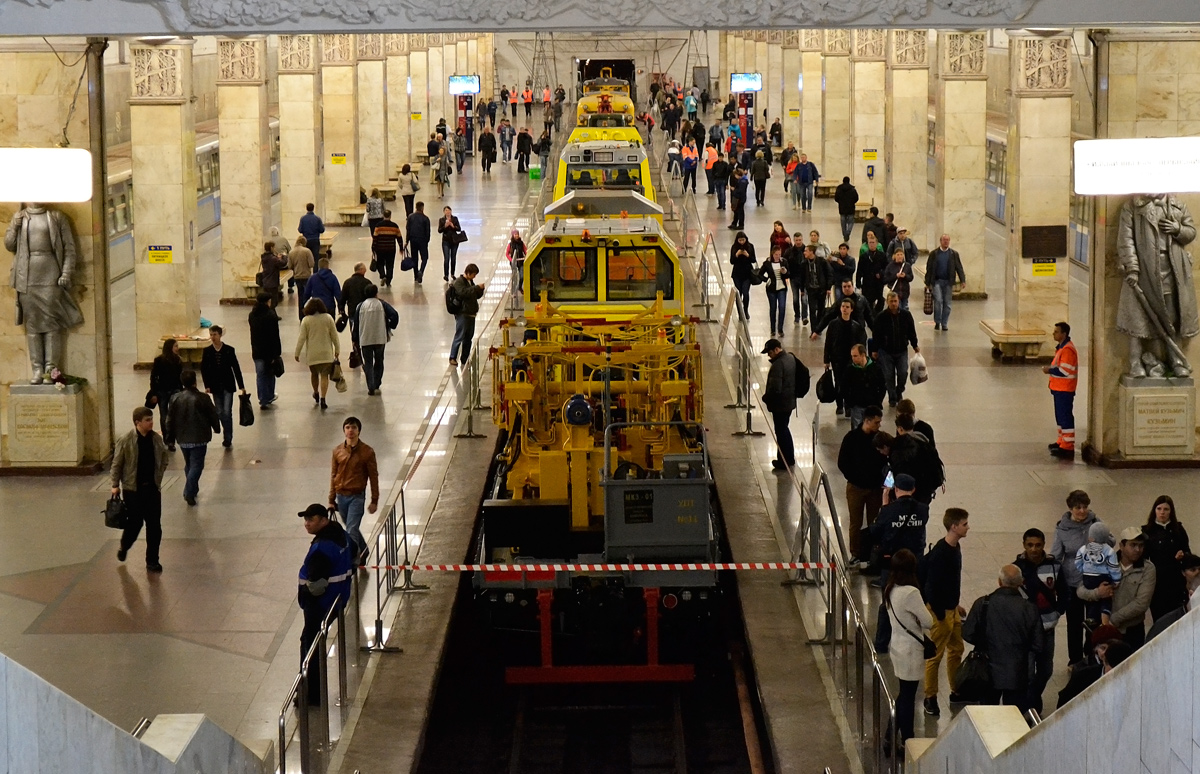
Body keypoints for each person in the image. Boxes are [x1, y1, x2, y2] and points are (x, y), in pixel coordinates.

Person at [1116, 194, 1199, 377]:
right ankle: (1135, 361)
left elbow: (1191, 232)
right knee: (1136, 318)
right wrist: (1132, 267)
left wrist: (1178, 229)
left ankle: (1175, 359)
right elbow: (1126, 239)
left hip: (1172, 268)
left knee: (1171, 316)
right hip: (1144, 269)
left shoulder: (1177, 205)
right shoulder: (1132, 206)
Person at [962, 565, 1043, 713]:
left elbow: (967, 633)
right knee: (1013, 718)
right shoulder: (1029, 608)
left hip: (987, 672)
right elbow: (1038, 644)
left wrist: (985, 642)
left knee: (987, 717)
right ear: (1021, 583)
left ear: (999, 581)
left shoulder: (983, 603)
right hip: (1017, 673)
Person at [296, 503, 353, 706]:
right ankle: (313, 691)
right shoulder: (342, 535)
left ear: (323, 520)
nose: (307, 524)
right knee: (316, 642)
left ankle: (311, 695)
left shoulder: (321, 548)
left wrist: (307, 594)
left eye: (311, 520)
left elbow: (317, 585)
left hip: (320, 604)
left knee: (310, 645)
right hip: (339, 598)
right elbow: (355, 554)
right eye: (305, 520)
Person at [921, 508, 970, 717]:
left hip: (952, 609)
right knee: (935, 656)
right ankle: (930, 697)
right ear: (954, 526)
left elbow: (951, 582)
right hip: (941, 612)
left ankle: (956, 688)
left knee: (957, 649)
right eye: (964, 524)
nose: (968, 527)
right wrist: (941, 615)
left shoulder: (955, 547)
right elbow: (932, 587)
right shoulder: (940, 553)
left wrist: (956, 605)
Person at [1014, 527, 1067, 714]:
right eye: (1030, 545)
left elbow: (1064, 591)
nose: (1034, 549)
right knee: (1027, 673)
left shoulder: (1054, 566)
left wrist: (1058, 612)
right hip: (1026, 631)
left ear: (1044, 545)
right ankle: (1030, 706)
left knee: (1046, 670)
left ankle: (1033, 698)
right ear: (1024, 545)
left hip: (1047, 628)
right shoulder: (1016, 569)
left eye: (1038, 545)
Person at [884, 549, 934, 749]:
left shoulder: (890, 588)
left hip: (897, 646)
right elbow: (928, 622)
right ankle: (907, 740)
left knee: (904, 694)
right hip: (911, 651)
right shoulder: (911, 593)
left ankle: (890, 735)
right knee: (908, 698)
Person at [111, 406, 170, 572]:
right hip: (133, 490)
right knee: (135, 524)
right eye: (147, 420)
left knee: (154, 526)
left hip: (152, 489)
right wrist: (115, 485)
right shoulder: (126, 440)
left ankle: (152, 560)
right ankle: (124, 546)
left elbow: (164, 458)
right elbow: (117, 463)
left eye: (151, 419)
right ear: (138, 422)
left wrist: (158, 477)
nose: (151, 423)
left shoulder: (156, 440)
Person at [1077, 527, 1157, 649]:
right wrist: (1097, 593)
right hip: (1099, 628)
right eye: (1133, 545)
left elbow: (1141, 603)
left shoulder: (1148, 569)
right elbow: (1080, 591)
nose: (1138, 550)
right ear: (1121, 546)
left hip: (1131, 631)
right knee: (1097, 665)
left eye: (1141, 546)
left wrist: (1112, 621)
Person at [1050, 490, 1101, 665]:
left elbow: (1110, 540)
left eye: (1085, 507)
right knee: (1074, 623)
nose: (1082, 511)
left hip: (1093, 579)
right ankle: (1075, 659)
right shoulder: (1062, 528)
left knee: (1093, 620)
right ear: (1070, 508)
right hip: (1072, 580)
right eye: (1078, 507)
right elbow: (1056, 555)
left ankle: (1091, 655)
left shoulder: (1096, 523)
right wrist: (1055, 580)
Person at [839, 406, 887, 565]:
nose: (879, 425)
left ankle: (873, 554)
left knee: (874, 522)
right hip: (856, 488)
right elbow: (842, 462)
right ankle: (856, 553)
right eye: (876, 422)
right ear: (867, 421)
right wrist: (854, 478)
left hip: (875, 489)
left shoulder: (880, 439)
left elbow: (886, 461)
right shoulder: (851, 438)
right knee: (855, 522)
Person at [328, 417, 380, 565]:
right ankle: (363, 549)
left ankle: (352, 561)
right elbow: (334, 475)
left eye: (354, 427)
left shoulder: (367, 452)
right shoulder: (337, 451)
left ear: (359, 431)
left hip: (356, 496)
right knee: (351, 527)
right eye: (348, 427)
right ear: (344, 430)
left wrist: (374, 500)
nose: (351, 430)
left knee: (351, 530)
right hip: (340, 496)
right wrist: (331, 500)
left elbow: (373, 476)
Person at [168, 369, 220, 507]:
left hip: (182, 437)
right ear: (195, 382)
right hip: (199, 436)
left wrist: (170, 435)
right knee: (197, 465)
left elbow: (170, 418)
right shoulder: (203, 398)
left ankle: (193, 488)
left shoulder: (175, 398)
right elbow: (212, 415)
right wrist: (217, 428)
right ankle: (189, 492)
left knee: (189, 465)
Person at [1141, 495, 1192, 620]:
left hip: (1176, 581)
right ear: (1154, 510)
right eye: (1159, 509)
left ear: (1171, 511)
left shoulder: (1178, 530)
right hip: (1157, 582)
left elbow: (1187, 552)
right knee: (1159, 619)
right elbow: (1143, 558)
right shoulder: (1147, 531)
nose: (1162, 512)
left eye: (1166, 509)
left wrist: (1183, 555)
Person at [872, 473, 930, 583]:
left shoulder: (889, 510)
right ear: (913, 490)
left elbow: (877, 530)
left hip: (892, 559)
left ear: (896, 489)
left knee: (889, 589)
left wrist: (884, 506)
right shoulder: (923, 509)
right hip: (914, 557)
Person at [1055, 624, 1124, 709]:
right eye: (1103, 648)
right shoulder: (1081, 673)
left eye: (1110, 649)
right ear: (1096, 648)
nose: (1106, 653)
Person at [199, 326, 245, 450]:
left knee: (227, 411)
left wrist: (241, 385)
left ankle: (228, 437)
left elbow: (236, 368)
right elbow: (204, 369)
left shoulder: (229, 350)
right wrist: (207, 385)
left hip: (228, 385)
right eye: (211, 334)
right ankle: (226, 429)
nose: (212, 337)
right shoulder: (207, 351)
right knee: (219, 411)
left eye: (214, 334)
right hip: (215, 386)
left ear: (220, 335)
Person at [871, 293, 920, 407]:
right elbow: (876, 335)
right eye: (891, 301)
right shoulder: (881, 317)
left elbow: (911, 331)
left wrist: (915, 345)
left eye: (895, 301)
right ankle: (892, 397)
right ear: (887, 302)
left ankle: (899, 391)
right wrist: (875, 350)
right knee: (888, 376)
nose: (893, 304)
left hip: (901, 350)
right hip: (885, 351)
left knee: (903, 373)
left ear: (898, 301)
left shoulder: (906, 315)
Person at [821, 298, 867, 418]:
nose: (845, 309)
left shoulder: (856, 326)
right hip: (837, 359)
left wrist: (862, 358)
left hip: (851, 359)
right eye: (843, 307)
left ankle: (848, 406)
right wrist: (826, 360)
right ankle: (839, 405)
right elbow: (828, 342)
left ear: (851, 309)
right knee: (839, 382)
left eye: (847, 307)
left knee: (850, 383)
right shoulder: (833, 325)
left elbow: (861, 343)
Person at [295, 298, 340, 410]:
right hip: (326, 354)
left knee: (314, 374)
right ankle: (323, 398)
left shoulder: (306, 320)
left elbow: (302, 338)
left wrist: (297, 352)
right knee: (324, 376)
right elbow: (334, 335)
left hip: (312, 354)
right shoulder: (328, 318)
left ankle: (316, 393)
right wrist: (337, 349)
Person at [1043, 321, 1079, 459]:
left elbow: (1065, 370)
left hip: (1065, 389)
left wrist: (1049, 370)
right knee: (1060, 417)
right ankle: (1061, 441)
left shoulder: (1068, 350)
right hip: (1059, 388)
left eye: (1057, 331)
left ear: (1064, 334)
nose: (1054, 333)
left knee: (1065, 417)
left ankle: (1068, 447)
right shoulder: (1061, 348)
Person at [889, 414, 943, 504]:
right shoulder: (926, 444)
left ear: (900, 428)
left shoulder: (898, 446)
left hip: (905, 492)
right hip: (924, 493)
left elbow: (894, 469)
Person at [354, 284, 397, 396]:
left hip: (365, 338)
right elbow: (394, 315)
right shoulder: (382, 304)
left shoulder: (360, 306)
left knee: (368, 362)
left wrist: (355, 339)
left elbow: (356, 324)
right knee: (379, 360)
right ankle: (377, 382)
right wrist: (389, 324)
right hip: (380, 338)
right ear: (376, 293)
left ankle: (370, 386)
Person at [1075, 522, 1121, 626]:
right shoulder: (1109, 550)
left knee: (1093, 601)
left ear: (1090, 537)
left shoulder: (1083, 549)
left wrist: (1084, 570)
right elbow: (1113, 567)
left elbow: (1077, 562)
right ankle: (1105, 621)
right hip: (1102, 577)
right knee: (1106, 597)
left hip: (1087, 578)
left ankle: (1091, 619)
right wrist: (1116, 580)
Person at [761, 338, 797, 471]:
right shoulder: (790, 358)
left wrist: (766, 398)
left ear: (776, 350)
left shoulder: (778, 365)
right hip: (789, 401)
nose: (769, 355)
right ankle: (789, 458)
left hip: (780, 405)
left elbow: (775, 388)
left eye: (770, 352)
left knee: (781, 431)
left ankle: (784, 461)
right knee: (784, 429)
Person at [924, 235, 966, 331]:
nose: (946, 242)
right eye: (944, 240)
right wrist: (927, 282)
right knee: (938, 301)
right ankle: (937, 321)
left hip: (948, 282)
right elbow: (929, 268)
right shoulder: (934, 254)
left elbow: (959, 267)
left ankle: (944, 323)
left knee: (947, 303)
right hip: (937, 281)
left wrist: (963, 280)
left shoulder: (953, 254)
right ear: (940, 241)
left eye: (947, 240)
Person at [248, 292, 282, 409]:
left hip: (257, 350)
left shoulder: (252, 315)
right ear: (268, 301)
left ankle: (262, 399)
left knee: (260, 375)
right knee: (270, 373)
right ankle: (270, 395)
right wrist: (276, 353)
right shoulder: (271, 315)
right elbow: (274, 336)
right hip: (269, 351)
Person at [449, 263, 486, 367]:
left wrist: (479, 290)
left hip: (471, 313)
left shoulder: (470, 281)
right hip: (462, 313)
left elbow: (473, 295)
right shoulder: (459, 282)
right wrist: (475, 288)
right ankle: (453, 357)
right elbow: (463, 293)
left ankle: (464, 358)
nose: (475, 276)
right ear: (468, 273)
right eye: (474, 274)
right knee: (459, 335)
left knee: (468, 337)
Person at [839, 345, 886, 428]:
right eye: (852, 356)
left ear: (863, 355)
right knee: (857, 431)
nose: (853, 358)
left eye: (855, 356)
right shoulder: (849, 370)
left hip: (872, 406)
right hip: (856, 406)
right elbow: (844, 387)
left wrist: (878, 401)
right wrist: (850, 402)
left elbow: (882, 386)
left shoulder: (875, 368)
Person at [148, 339, 183, 451]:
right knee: (164, 416)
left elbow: (179, 378)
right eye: (175, 346)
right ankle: (167, 439)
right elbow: (153, 377)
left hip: (175, 390)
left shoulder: (178, 360)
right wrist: (153, 392)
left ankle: (171, 440)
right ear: (169, 347)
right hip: (162, 391)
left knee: (173, 415)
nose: (177, 348)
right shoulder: (159, 360)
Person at [340, 262, 373, 359]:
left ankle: (356, 350)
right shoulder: (367, 282)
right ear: (361, 270)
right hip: (365, 312)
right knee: (365, 331)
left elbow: (342, 298)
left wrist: (341, 310)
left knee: (354, 332)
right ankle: (365, 350)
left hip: (352, 313)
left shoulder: (347, 282)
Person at [757, 248, 789, 336]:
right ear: (772, 254)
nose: (778, 256)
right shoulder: (767, 263)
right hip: (771, 289)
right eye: (776, 254)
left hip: (782, 287)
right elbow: (760, 273)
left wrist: (785, 272)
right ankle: (772, 329)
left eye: (779, 254)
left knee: (782, 307)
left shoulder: (784, 262)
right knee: (773, 308)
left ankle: (780, 329)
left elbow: (788, 274)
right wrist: (767, 280)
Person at [797, 243, 830, 327]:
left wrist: (828, 287)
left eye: (806, 251)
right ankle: (813, 329)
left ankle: (819, 326)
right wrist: (802, 289)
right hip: (811, 289)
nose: (804, 253)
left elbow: (829, 274)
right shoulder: (804, 264)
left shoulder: (822, 262)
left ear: (811, 252)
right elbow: (802, 277)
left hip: (821, 289)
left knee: (821, 309)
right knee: (812, 309)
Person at [857, 232, 889, 314]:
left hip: (878, 282)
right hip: (867, 282)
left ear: (876, 243)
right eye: (870, 243)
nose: (871, 244)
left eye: (873, 242)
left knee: (881, 300)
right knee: (868, 302)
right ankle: (870, 317)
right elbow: (859, 270)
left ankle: (877, 314)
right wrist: (858, 282)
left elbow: (886, 268)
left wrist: (881, 273)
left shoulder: (882, 255)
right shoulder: (864, 256)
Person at [729, 232, 757, 320]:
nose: (741, 242)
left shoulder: (750, 246)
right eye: (740, 240)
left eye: (743, 240)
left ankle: (745, 310)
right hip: (737, 274)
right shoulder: (734, 247)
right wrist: (736, 255)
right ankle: (740, 312)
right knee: (738, 294)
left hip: (747, 274)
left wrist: (747, 255)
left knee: (745, 292)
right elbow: (732, 261)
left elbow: (753, 260)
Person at [371, 209, 402, 288]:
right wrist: (401, 247)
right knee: (390, 265)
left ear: (383, 216)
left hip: (380, 248)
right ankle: (388, 281)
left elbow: (375, 237)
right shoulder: (394, 226)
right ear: (390, 216)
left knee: (380, 263)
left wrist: (373, 248)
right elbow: (399, 237)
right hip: (391, 249)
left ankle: (382, 275)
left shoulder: (378, 225)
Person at [288, 236, 315, 317]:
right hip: (306, 276)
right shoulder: (307, 251)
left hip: (297, 276)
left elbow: (289, 266)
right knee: (308, 295)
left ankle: (301, 315)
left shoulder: (291, 252)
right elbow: (311, 264)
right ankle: (309, 312)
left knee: (300, 295)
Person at [406, 202, 432, 284]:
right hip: (422, 240)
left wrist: (407, 241)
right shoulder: (425, 218)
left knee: (415, 259)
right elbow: (428, 232)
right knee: (424, 257)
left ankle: (416, 276)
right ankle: (421, 271)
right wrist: (427, 241)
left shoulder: (410, 217)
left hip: (413, 240)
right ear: (422, 208)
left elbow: (408, 230)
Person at [438, 206, 464, 283]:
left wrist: (453, 226)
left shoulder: (455, 219)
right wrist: (445, 226)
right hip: (445, 241)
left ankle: (452, 273)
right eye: (446, 210)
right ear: (444, 212)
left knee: (453, 258)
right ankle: (446, 274)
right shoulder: (442, 220)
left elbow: (459, 228)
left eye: (449, 210)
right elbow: (439, 230)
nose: (448, 212)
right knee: (446, 258)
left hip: (454, 241)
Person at [259, 241, 288, 306]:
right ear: (271, 248)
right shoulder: (272, 258)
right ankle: (271, 314)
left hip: (265, 281)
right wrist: (284, 257)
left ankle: (270, 314)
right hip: (272, 282)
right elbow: (283, 263)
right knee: (274, 302)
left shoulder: (264, 257)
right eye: (274, 247)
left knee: (267, 301)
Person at [834, 176, 859, 242]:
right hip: (851, 208)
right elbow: (856, 198)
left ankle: (845, 234)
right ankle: (848, 233)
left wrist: (840, 202)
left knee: (843, 223)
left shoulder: (839, 189)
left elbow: (836, 198)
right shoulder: (852, 189)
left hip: (842, 208)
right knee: (851, 222)